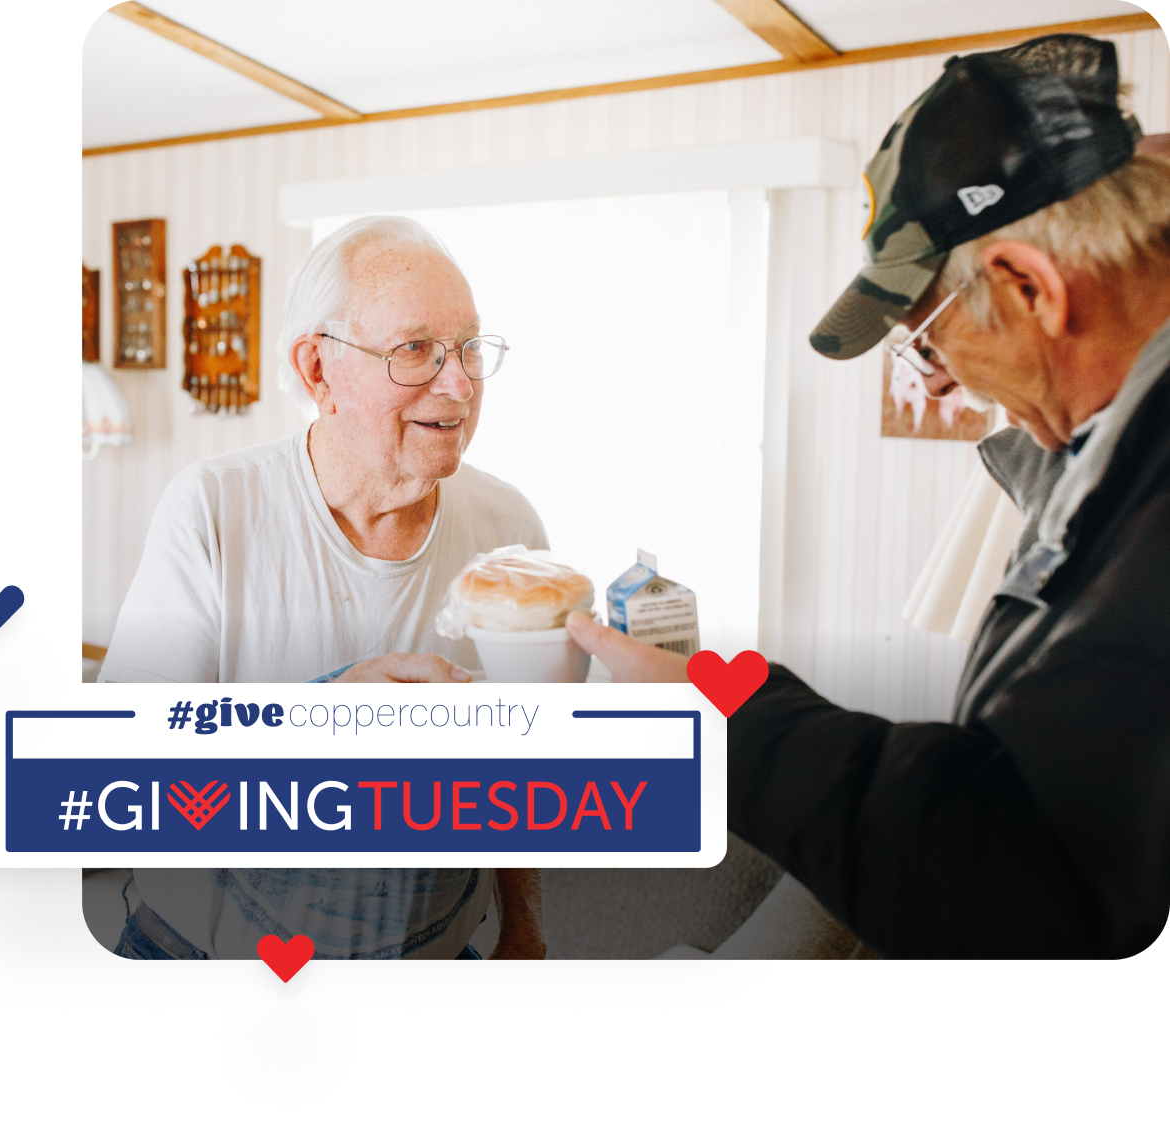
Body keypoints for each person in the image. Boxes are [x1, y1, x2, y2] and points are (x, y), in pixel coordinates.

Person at [566, 34, 1170, 958]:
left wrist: (719, 723)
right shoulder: (1117, 449)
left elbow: (1017, 878)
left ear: (1025, 286)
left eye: (924, 338)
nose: (933, 384)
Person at [100, 216, 546, 960]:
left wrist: (526, 930)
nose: (460, 383)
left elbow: (522, 771)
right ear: (317, 370)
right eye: (415, 350)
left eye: (469, 346)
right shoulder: (213, 507)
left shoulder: (510, 528)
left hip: (436, 954)